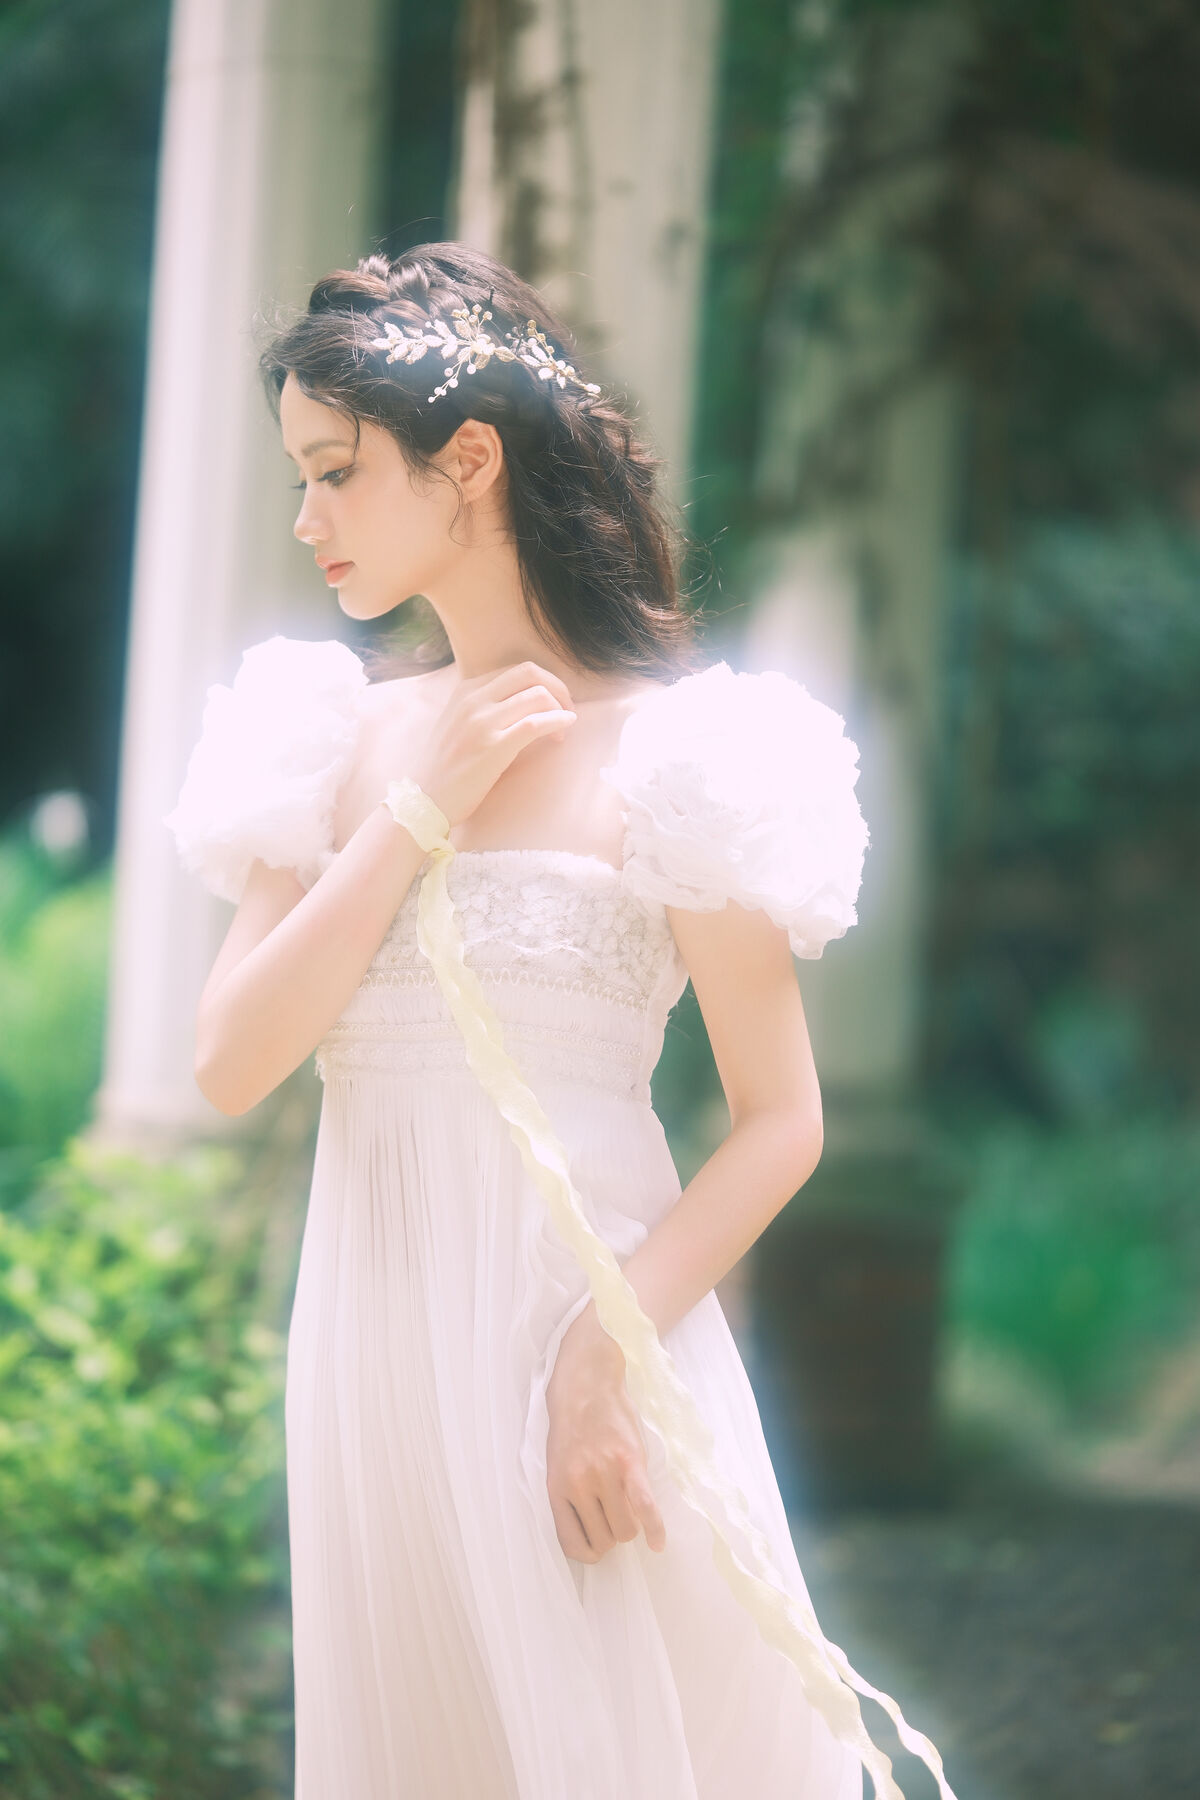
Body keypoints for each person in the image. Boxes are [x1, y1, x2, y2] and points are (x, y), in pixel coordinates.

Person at [164, 243, 956, 1800]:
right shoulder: (325, 736)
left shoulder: (688, 753)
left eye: (336, 470)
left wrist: (605, 1356)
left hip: (590, 1361)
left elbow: (781, 1118)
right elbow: (232, 1059)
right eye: (300, 477)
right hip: (376, 1363)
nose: (309, 519)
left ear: (467, 460)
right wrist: (418, 809)